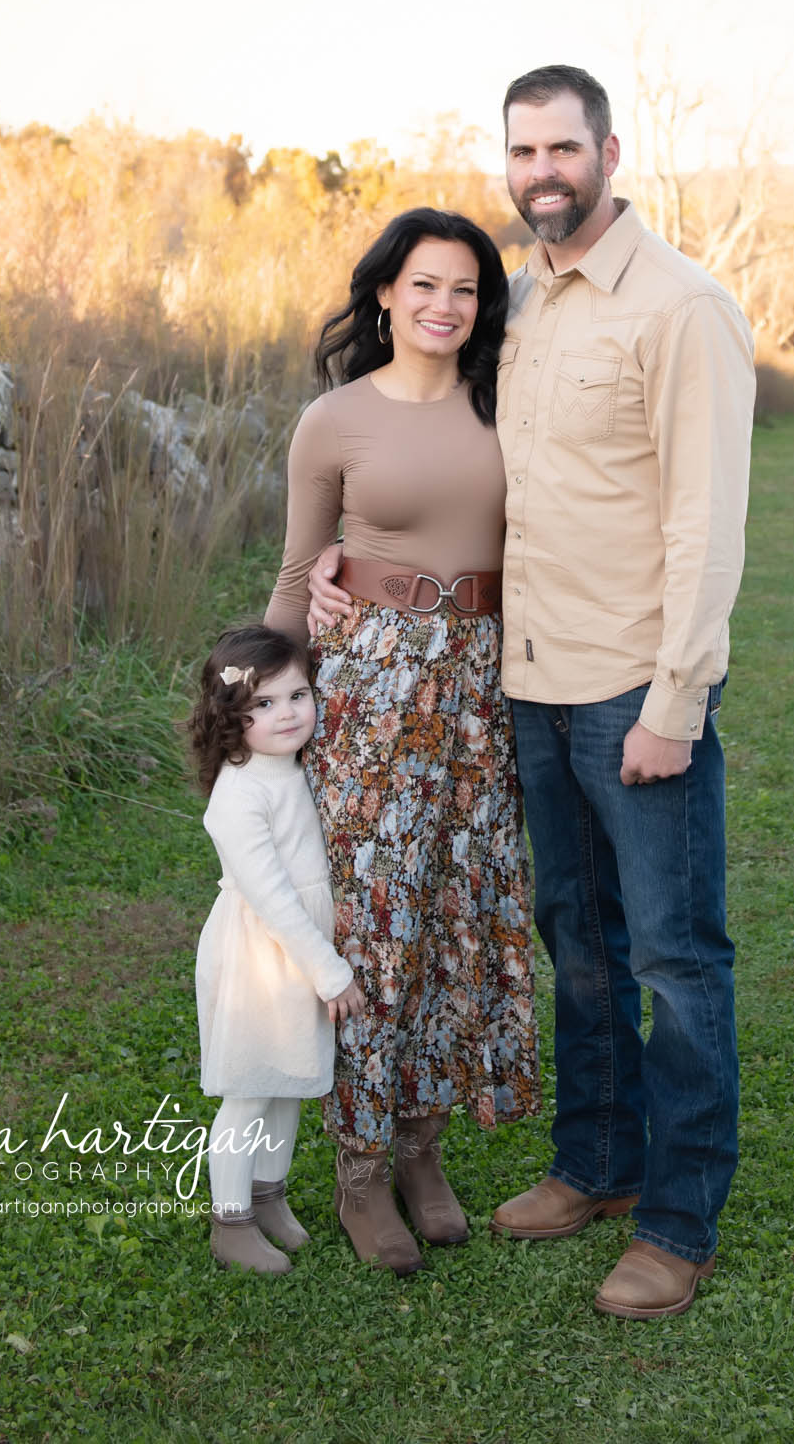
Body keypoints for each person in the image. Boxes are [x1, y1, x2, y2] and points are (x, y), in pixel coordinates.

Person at [310, 67, 755, 1320]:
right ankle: (598, 1162)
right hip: (526, 681)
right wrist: (350, 562)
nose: (543, 170)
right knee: (579, 940)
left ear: (610, 152)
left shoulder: (682, 308)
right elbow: (446, 462)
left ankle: (678, 1219)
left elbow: (706, 523)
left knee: (674, 954)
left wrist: (676, 698)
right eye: (523, 150)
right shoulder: (521, 304)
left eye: (564, 146)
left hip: (632, 684)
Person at [265, 206, 540, 1276]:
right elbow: (299, 573)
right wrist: (252, 715)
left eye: (465, 288)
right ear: (384, 292)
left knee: (461, 915)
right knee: (376, 922)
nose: (444, 305)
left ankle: (425, 1148)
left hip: (486, 683)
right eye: (424, 283)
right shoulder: (334, 420)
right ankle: (361, 1168)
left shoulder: (509, 401)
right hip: (373, 689)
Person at [187, 623, 365, 1276]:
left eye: (297, 696)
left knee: (290, 1081)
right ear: (231, 716)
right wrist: (329, 970)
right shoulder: (239, 794)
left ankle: (269, 1197)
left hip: (297, 951)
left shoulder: (292, 768)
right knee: (251, 1090)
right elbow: (273, 899)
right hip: (260, 956)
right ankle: (230, 1220)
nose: (287, 714)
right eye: (263, 704)